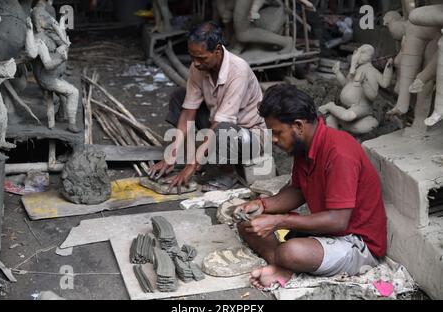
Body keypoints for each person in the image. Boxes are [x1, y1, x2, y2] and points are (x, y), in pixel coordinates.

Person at [235, 84, 387, 289]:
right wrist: (262, 205)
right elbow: (297, 191)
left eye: (277, 132)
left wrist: (278, 221)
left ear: (298, 126)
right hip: (327, 235)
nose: (274, 139)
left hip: (357, 244)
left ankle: (283, 263)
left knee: (291, 251)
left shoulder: (339, 152)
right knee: (247, 226)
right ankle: (282, 266)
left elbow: (338, 222)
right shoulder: (304, 147)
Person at [149, 21, 266, 192]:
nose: (195, 63)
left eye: (201, 58)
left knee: (223, 128)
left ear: (217, 51)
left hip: (250, 138)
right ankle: (193, 156)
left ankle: (229, 173)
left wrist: (192, 166)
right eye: (192, 57)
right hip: (218, 127)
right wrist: (171, 154)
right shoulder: (198, 67)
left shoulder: (238, 71)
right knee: (179, 97)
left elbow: (219, 125)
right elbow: (188, 112)